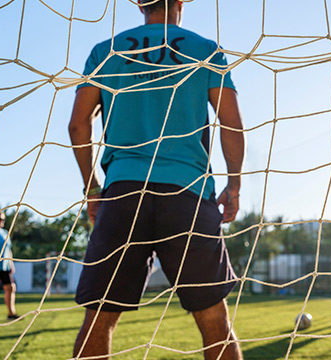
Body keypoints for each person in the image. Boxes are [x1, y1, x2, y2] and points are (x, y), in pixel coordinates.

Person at [68, 0, 245, 358]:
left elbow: (77, 125)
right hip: (187, 194)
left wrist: (92, 189)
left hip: (123, 193)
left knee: (100, 318)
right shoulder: (204, 50)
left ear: (139, 3)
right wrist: (234, 183)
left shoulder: (106, 51)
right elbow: (232, 123)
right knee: (213, 317)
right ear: (181, 2)